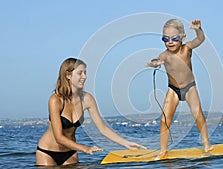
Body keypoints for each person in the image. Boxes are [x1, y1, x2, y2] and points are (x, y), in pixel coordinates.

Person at [36, 58, 146, 166]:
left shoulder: (87, 99)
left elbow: (103, 129)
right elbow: (58, 137)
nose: (84, 77)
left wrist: (127, 144)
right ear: (68, 75)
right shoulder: (55, 100)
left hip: (70, 153)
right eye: (80, 73)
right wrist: (85, 148)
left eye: (85, 73)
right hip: (48, 152)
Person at [147, 19, 213, 160]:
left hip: (189, 88)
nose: (170, 42)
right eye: (166, 39)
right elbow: (156, 61)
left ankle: (206, 143)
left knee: (198, 114)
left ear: (183, 38)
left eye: (174, 38)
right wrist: (154, 63)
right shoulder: (164, 55)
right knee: (165, 120)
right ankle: (163, 150)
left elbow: (201, 39)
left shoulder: (187, 48)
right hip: (173, 89)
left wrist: (198, 29)